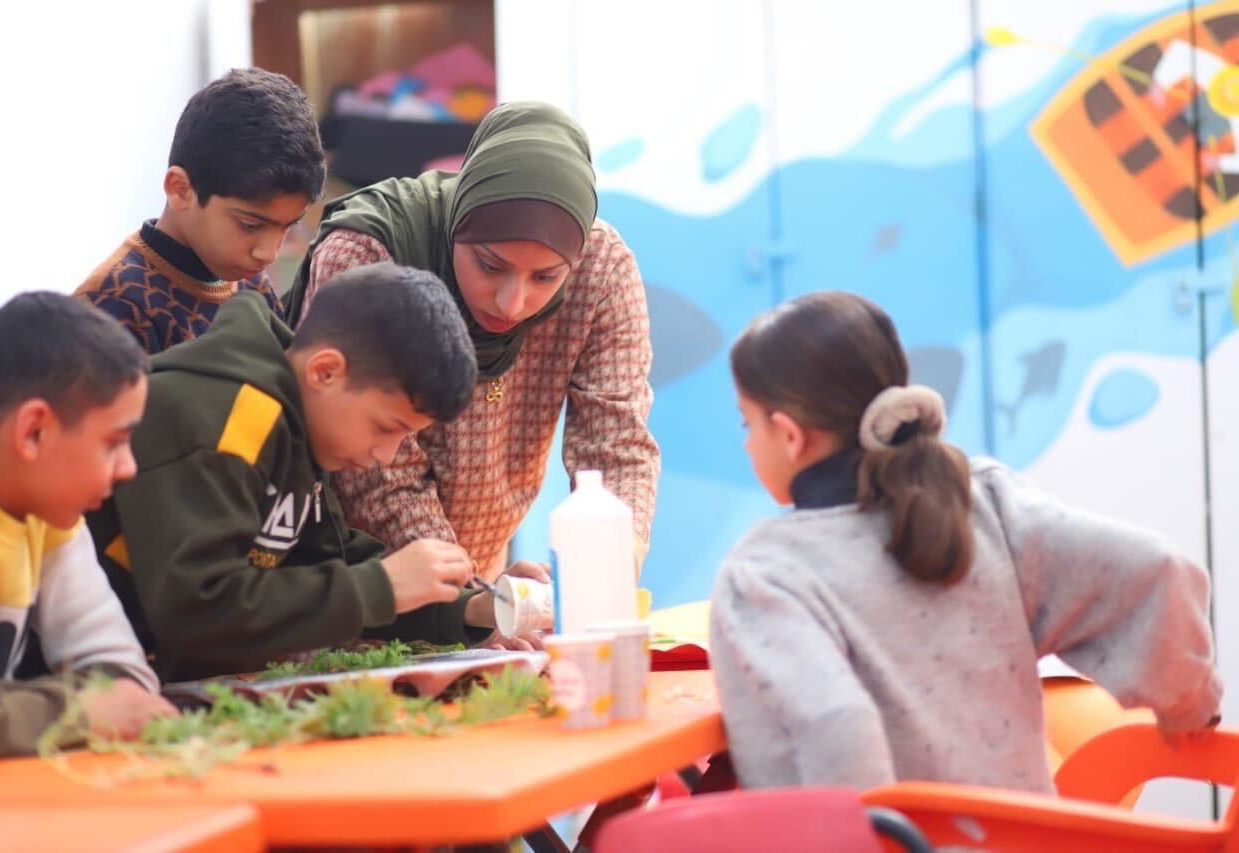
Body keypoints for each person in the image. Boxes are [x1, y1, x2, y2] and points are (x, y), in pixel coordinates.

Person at [710, 290, 1222, 791]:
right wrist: (1190, 707)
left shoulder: (766, 571)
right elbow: (1154, 569)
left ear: (788, 434)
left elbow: (835, 726)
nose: (747, 440)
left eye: (745, 421)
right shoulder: (986, 504)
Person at [284, 101, 660, 593]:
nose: (512, 302)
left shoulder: (601, 270)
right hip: (348, 588)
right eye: (489, 265)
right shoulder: (374, 251)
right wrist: (474, 605)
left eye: (545, 277)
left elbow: (616, 445)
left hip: (472, 586)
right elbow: (377, 475)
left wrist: (606, 578)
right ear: (459, 220)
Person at [87, 263, 505, 682]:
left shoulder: (300, 430)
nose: (385, 454)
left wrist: (472, 608)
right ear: (326, 371)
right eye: (386, 427)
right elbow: (198, 608)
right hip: (84, 688)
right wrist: (381, 586)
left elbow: (331, 560)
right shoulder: (232, 419)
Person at [0, 293, 172, 756]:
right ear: (34, 431)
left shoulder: (49, 517)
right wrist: (77, 714)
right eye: (115, 442)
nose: (128, 468)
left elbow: (125, 679)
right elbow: (108, 708)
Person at [76, 68, 325, 353]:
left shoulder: (252, 289)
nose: (268, 254)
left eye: (288, 227)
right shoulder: (109, 310)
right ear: (180, 189)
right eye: (250, 225)